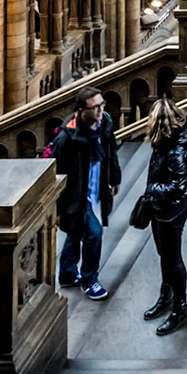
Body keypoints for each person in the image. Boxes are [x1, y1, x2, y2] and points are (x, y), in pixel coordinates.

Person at [51, 88, 119, 299]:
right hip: (76, 196)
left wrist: (114, 177)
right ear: (82, 111)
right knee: (93, 233)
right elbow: (58, 175)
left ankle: (67, 274)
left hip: (95, 187)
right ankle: (89, 280)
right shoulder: (67, 139)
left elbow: (111, 152)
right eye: (95, 107)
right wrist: (58, 210)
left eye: (102, 105)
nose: (100, 110)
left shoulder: (105, 124)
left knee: (76, 229)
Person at [140, 98, 187, 335]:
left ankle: (180, 308)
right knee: (165, 255)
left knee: (173, 260)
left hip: (171, 213)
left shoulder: (176, 151)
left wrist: (152, 189)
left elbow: (179, 188)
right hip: (160, 210)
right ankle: (166, 295)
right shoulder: (163, 144)